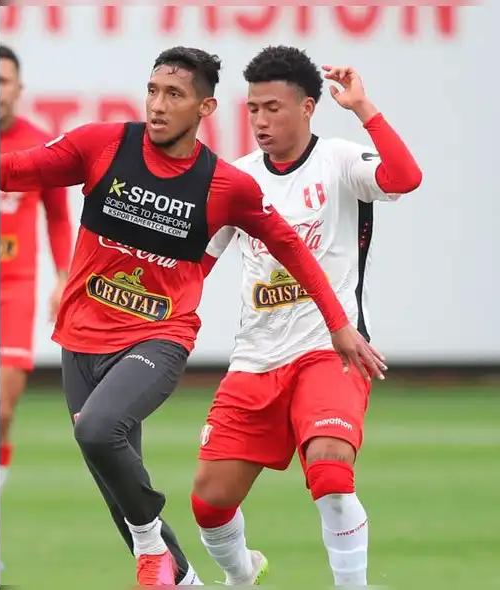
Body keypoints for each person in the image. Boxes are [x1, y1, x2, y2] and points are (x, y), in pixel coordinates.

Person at [0, 46, 385, 587]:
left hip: (158, 338)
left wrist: (339, 323)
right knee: (114, 477)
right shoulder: (102, 145)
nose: (157, 105)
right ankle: (182, 578)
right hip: (81, 338)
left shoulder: (223, 185)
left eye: (174, 95)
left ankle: (153, 547)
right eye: (153, 91)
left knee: (98, 430)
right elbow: (13, 170)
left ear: (204, 109)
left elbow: (292, 248)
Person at [192, 46, 421, 586]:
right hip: (255, 359)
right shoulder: (235, 179)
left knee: (331, 474)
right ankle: (242, 572)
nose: (261, 121)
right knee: (209, 503)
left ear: (309, 107)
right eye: (252, 109)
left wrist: (364, 108)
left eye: (273, 107)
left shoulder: (339, 160)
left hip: (331, 348)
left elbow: (405, 178)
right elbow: (195, 264)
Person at [0, 44, 73, 495]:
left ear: (19, 88)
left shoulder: (40, 144)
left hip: (16, 285)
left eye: (4, 81)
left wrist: (63, 278)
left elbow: (59, 216)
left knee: (2, 412)